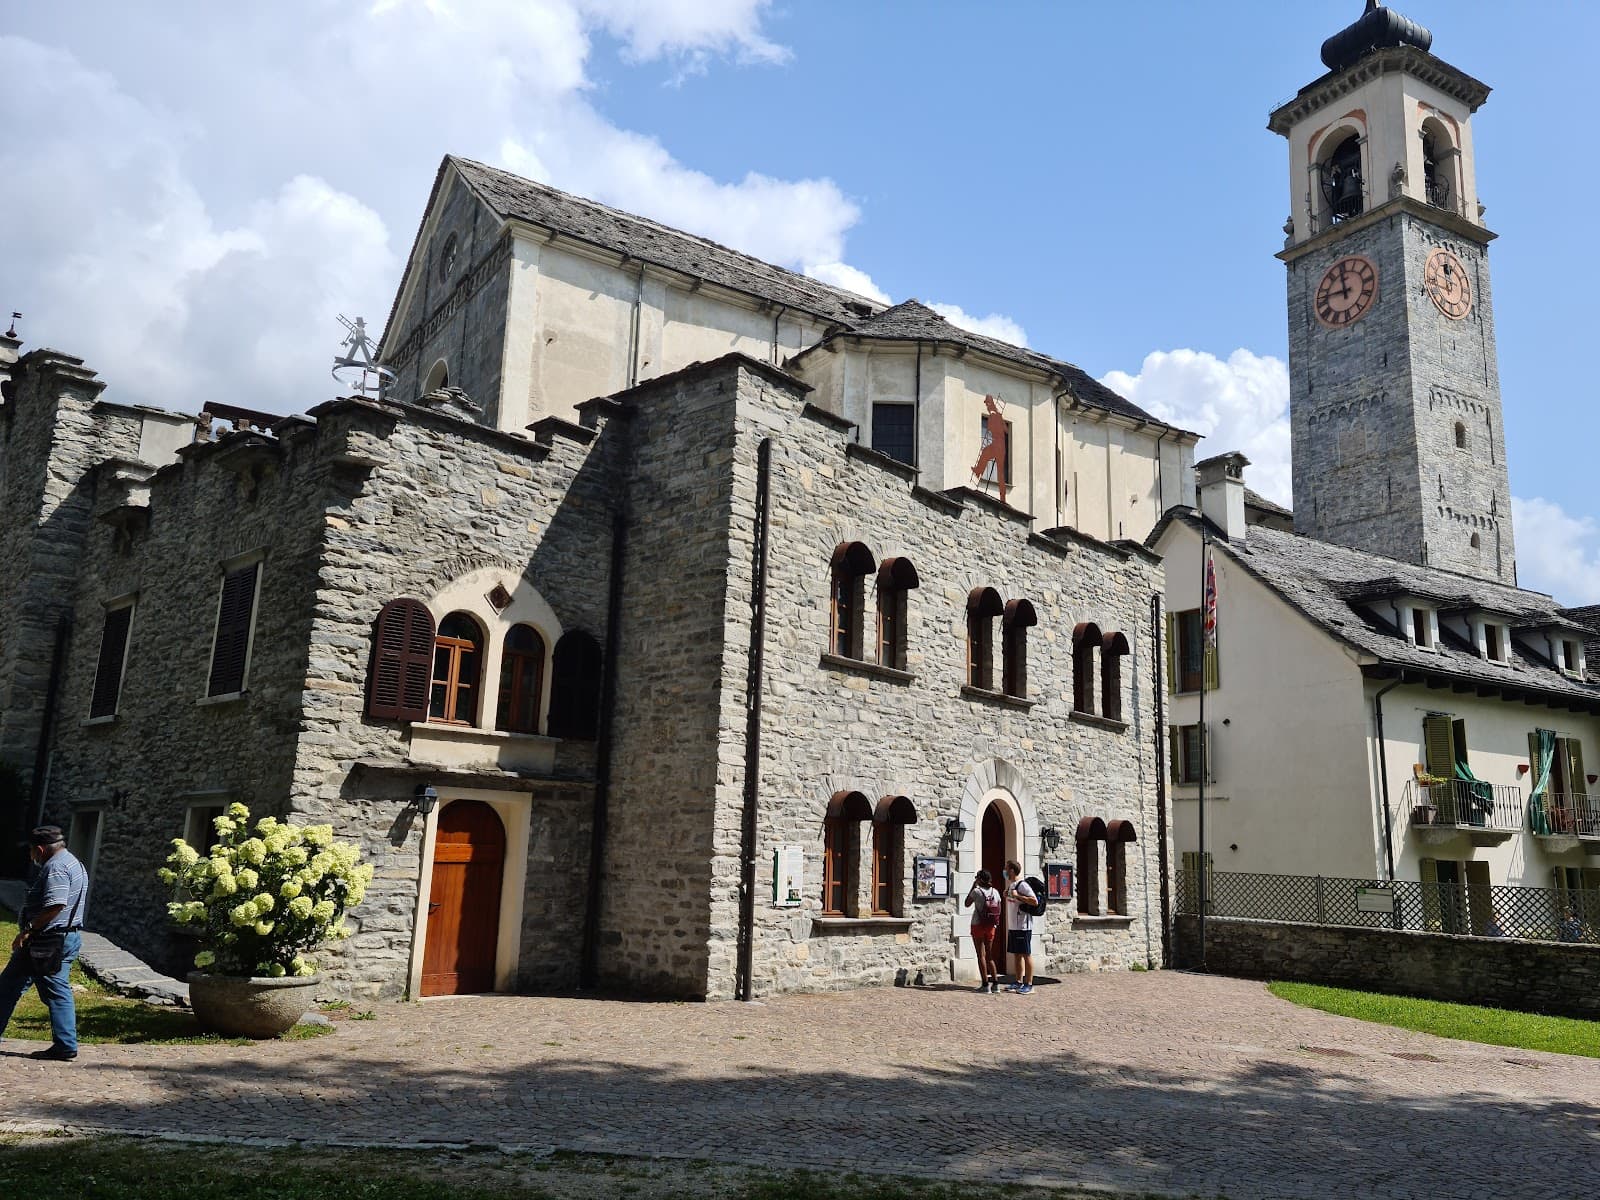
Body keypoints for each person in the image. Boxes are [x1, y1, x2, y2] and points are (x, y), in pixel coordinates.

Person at [0, 826, 89, 1061]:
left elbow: (56, 904)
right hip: (61, 939)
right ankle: (65, 1043)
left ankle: (66, 1044)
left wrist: (29, 930)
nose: (31, 856)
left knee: (52, 990)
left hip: (46, 941)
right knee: (10, 986)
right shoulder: (73, 862)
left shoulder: (56, 867)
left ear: (40, 849)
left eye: (31, 851)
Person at [963, 869, 1002, 994]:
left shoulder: (976, 891)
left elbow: (966, 903)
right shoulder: (995, 892)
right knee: (990, 956)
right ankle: (995, 983)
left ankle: (985, 984)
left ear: (979, 879)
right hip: (991, 926)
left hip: (978, 925)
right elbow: (999, 909)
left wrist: (973, 886)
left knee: (981, 955)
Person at [1002, 860, 1036, 995]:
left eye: (1006, 869)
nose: (1004, 871)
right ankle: (1018, 981)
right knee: (1016, 954)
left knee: (1026, 954)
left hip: (1023, 926)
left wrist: (1019, 896)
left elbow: (1034, 901)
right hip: (1013, 926)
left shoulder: (1023, 885)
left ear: (1011, 870)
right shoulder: (1011, 885)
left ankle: (1029, 984)